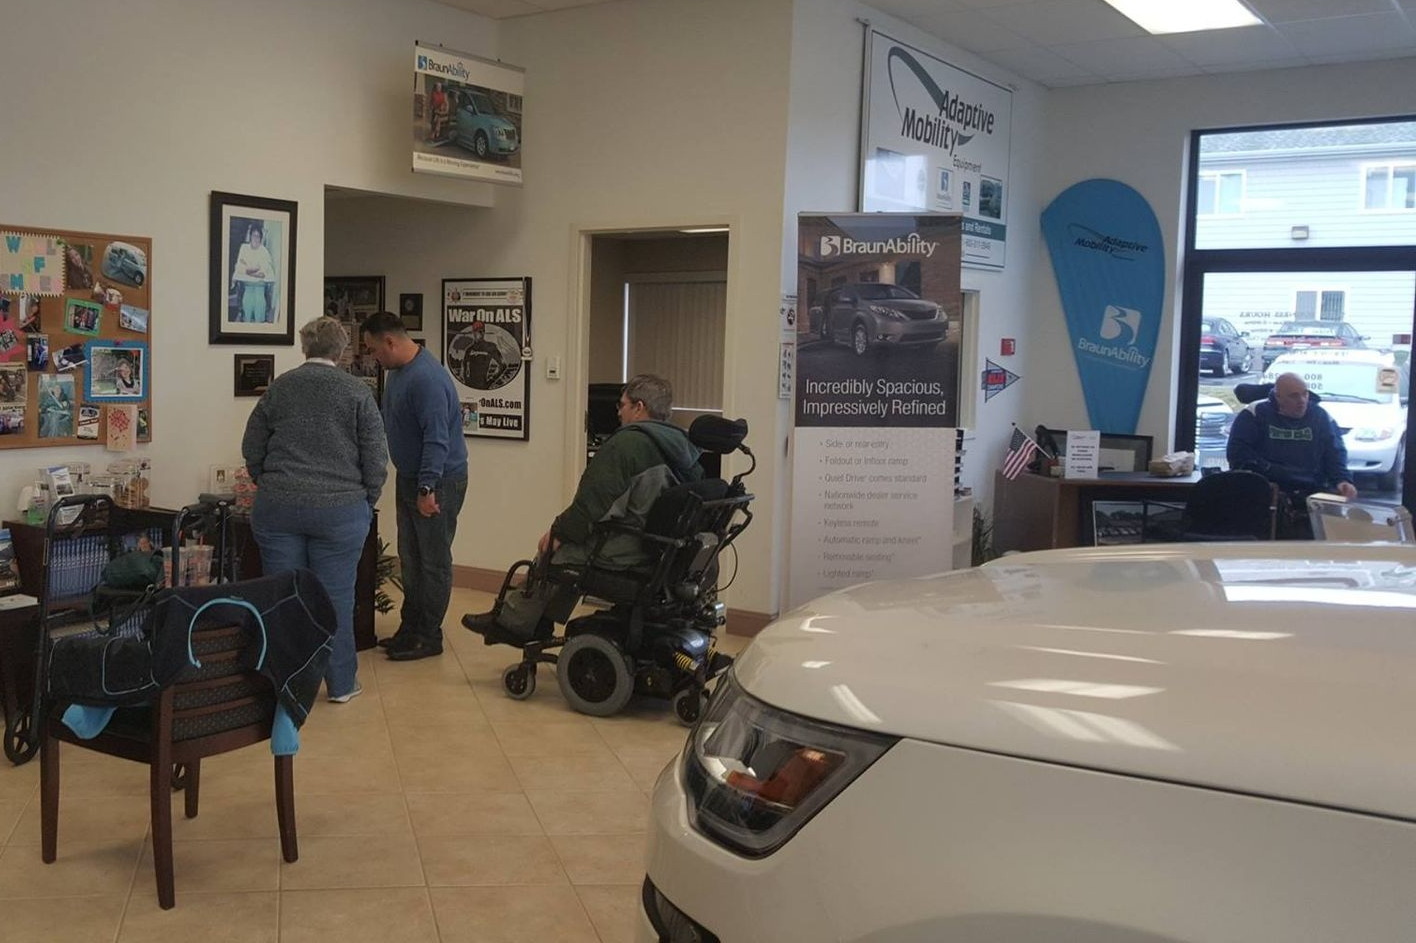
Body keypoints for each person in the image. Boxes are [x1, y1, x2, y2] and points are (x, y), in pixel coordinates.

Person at [462, 374, 702, 642]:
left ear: (639, 407)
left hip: (629, 545)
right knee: (571, 547)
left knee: (557, 551)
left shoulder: (627, 445)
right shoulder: (684, 448)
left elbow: (592, 504)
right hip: (660, 549)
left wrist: (559, 532)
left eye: (622, 405)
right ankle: (538, 622)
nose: (618, 412)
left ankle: (512, 622)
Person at [242, 317, 388, 703]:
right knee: (335, 597)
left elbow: (252, 445)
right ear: (342, 351)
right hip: (340, 510)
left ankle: (284, 683)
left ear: (304, 348)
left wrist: (267, 480)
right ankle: (341, 685)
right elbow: (376, 457)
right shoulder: (356, 392)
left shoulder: (279, 387)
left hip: (278, 506)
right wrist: (365, 499)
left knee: (284, 595)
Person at [360, 310, 468, 661]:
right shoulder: (398, 374)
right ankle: (410, 627)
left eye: (374, 350)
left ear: (391, 341)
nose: (374, 358)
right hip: (411, 476)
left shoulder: (427, 379)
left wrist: (426, 489)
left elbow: (437, 439)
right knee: (410, 557)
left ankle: (428, 635)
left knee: (433, 560)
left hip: (437, 481)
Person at [1227, 371, 1358, 500]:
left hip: (1312, 490)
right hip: (1268, 490)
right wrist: (1269, 470)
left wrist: (1343, 480)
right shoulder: (1255, 414)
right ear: (1278, 397)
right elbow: (1238, 454)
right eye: (1293, 396)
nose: (1302, 401)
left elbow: (1335, 454)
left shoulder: (1321, 417)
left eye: (1305, 394)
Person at [232, 224, 277, 324]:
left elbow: (263, 273)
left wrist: (249, 271)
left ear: (261, 238)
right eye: (254, 235)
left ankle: (259, 323)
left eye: (258, 236)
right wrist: (252, 270)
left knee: (259, 304)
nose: (256, 239)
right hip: (247, 287)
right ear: (250, 236)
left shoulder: (264, 251)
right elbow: (240, 267)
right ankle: (246, 320)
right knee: (247, 304)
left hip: (259, 287)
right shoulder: (244, 248)